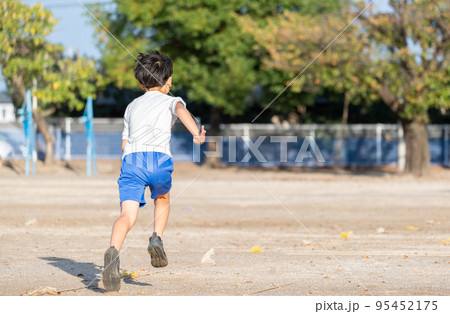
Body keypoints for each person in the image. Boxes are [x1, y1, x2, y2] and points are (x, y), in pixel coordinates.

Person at [102, 51, 206, 292]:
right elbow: (181, 110)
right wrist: (196, 135)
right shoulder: (171, 99)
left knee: (126, 216)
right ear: (168, 80)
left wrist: (130, 166)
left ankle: (113, 252)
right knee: (162, 199)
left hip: (132, 160)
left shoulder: (131, 106)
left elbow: (124, 144)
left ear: (140, 83)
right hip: (159, 159)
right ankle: (156, 238)